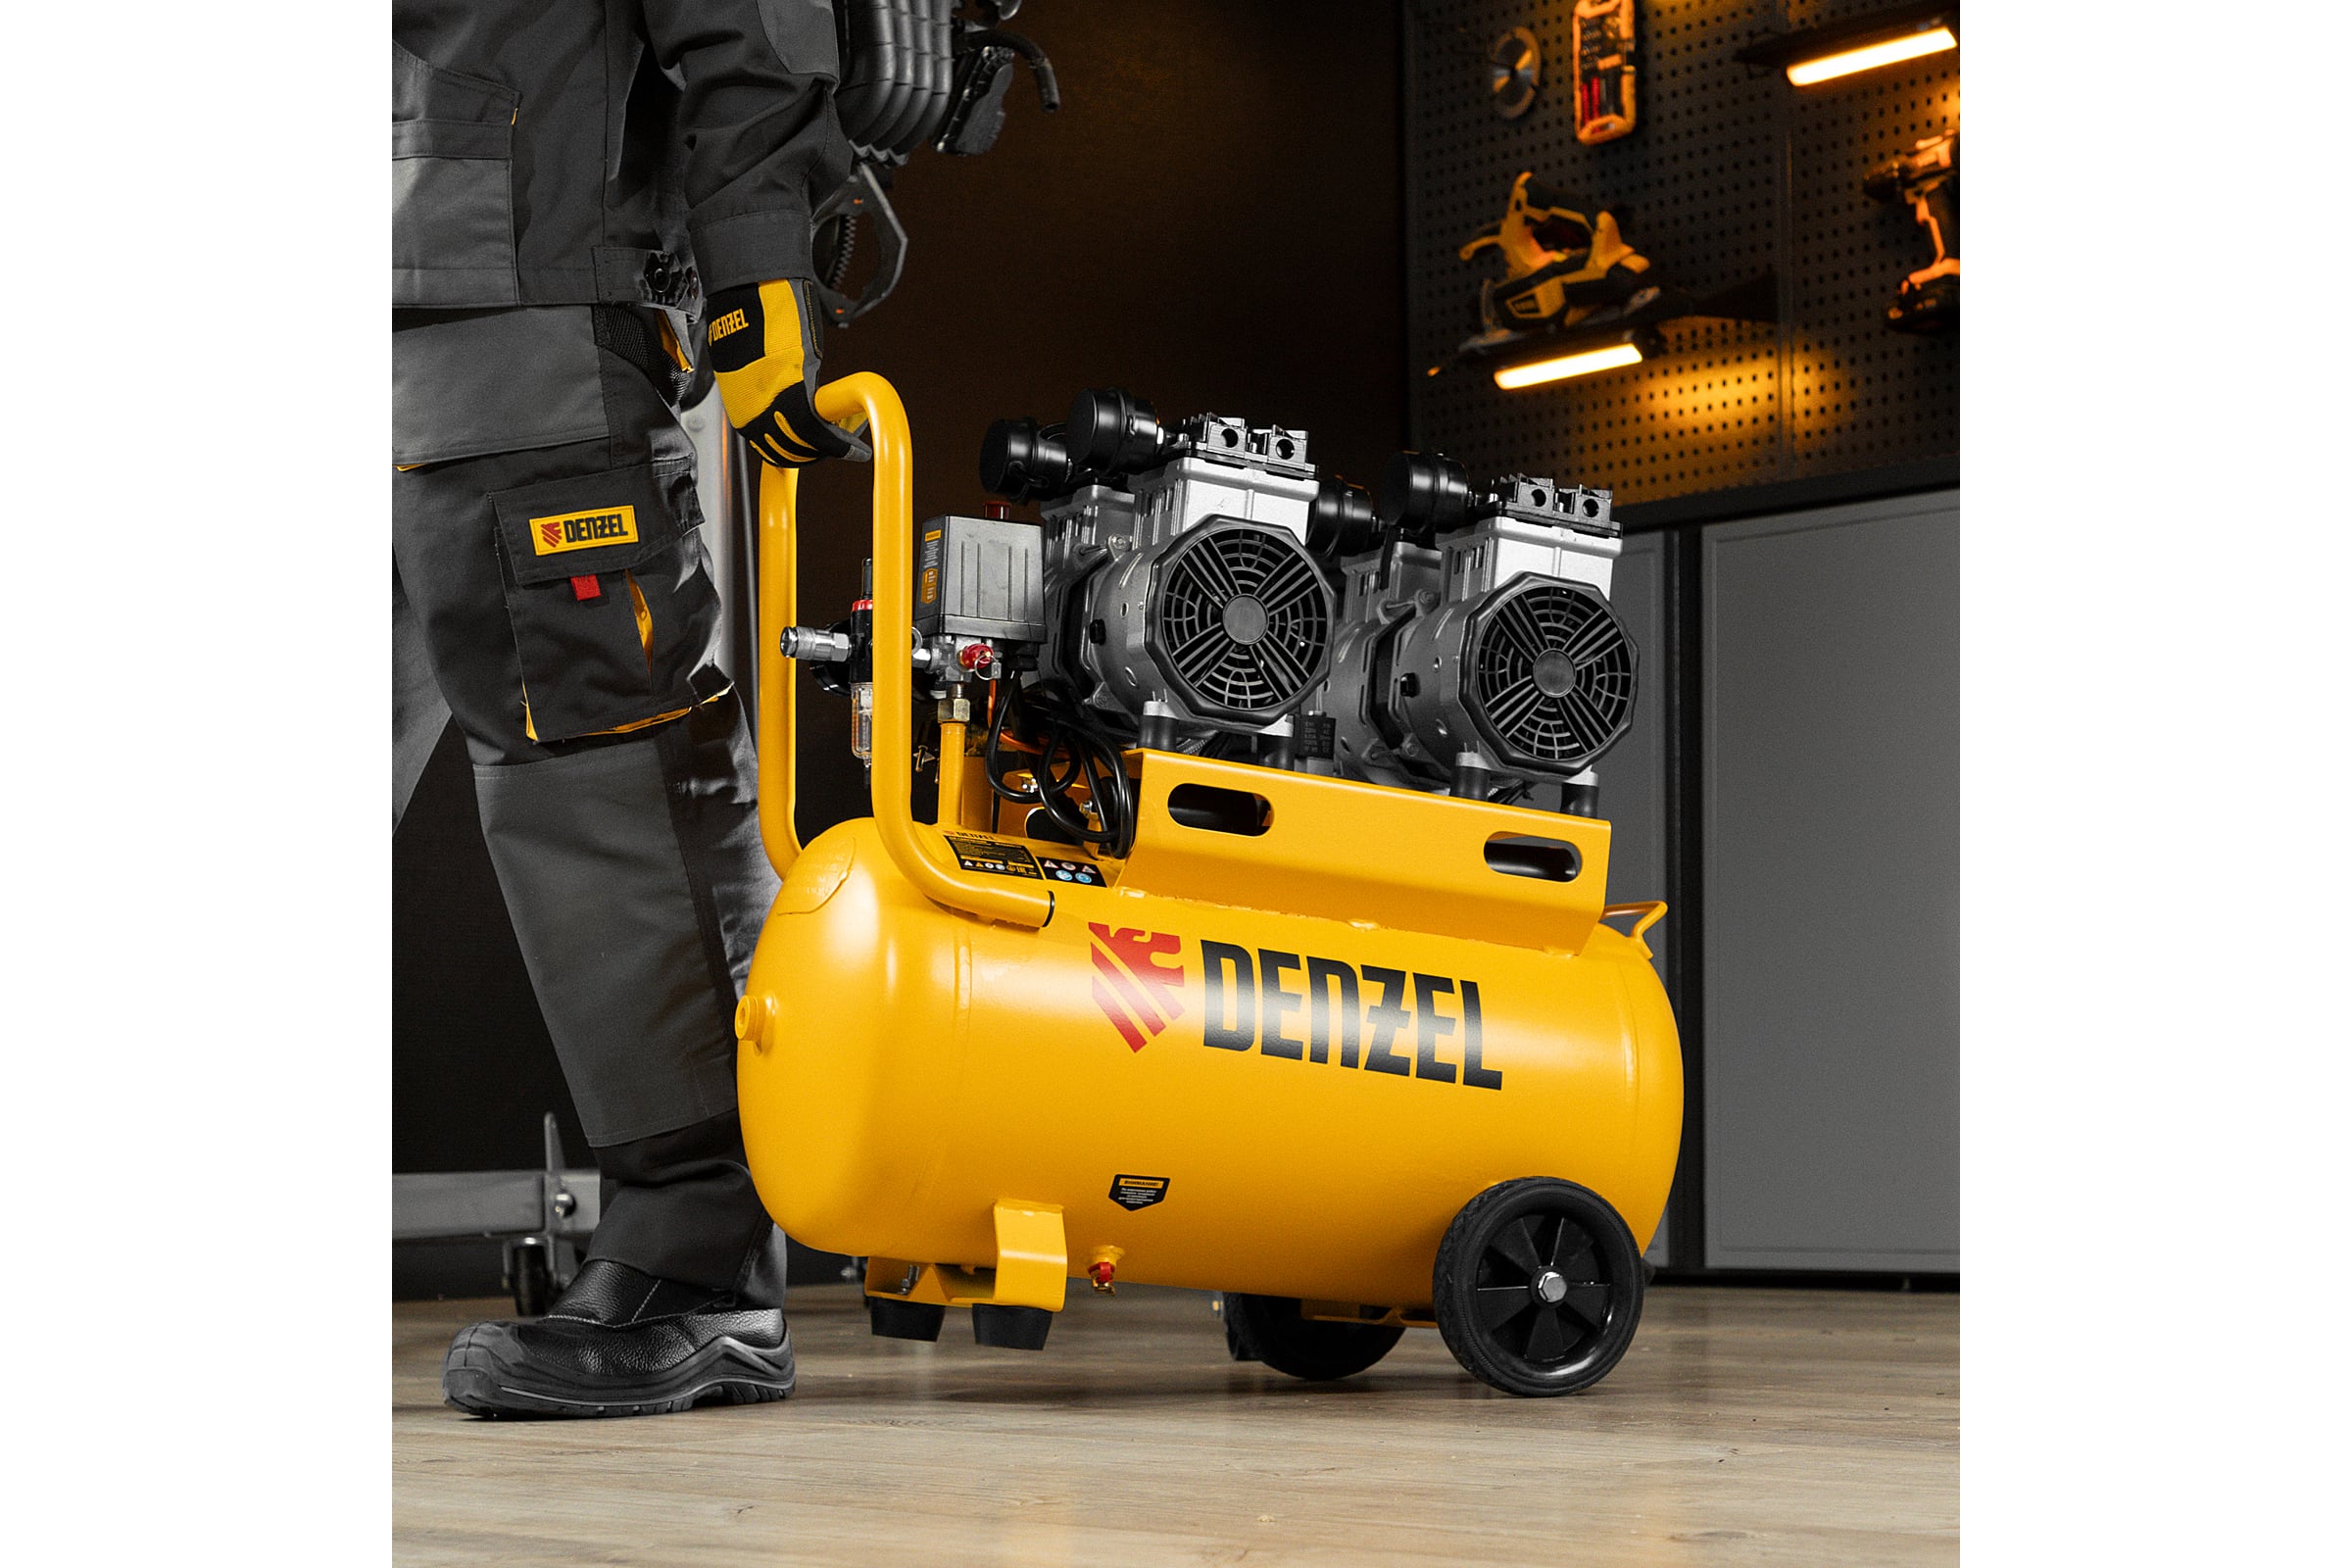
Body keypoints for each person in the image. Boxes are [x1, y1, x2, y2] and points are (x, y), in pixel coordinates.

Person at [393, 0, 860, 1418]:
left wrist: (760, 262)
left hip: (521, 292)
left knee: (596, 767)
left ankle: (699, 1255)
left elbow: (746, 21)